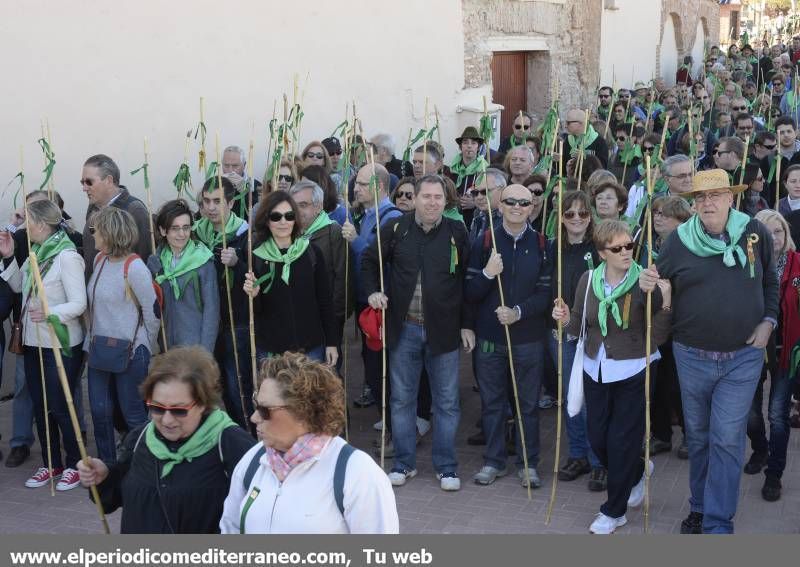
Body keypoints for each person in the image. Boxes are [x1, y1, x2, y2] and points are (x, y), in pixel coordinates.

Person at [639, 169, 778, 534]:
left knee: (726, 437)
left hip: (743, 357)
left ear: (731, 198)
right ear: (693, 203)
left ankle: (718, 520)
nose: (708, 202)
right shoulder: (677, 241)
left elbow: (769, 281)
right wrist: (648, 284)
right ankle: (699, 505)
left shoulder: (755, 232)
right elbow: (655, 285)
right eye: (700, 197)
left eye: (716, 195)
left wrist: (769, 322)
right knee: (699, 437)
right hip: (692, 357)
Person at [553, 220, 672, 534]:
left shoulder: (643, 278)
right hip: (596, 367)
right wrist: (564, 319)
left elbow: (658, 325)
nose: (625, 252)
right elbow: (579, 320)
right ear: (602, 252)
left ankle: (614, 511)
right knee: (598, 438)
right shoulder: (588, 278)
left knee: (620, 441)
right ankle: (635, 470)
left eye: (629, 246)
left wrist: (657, 295)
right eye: (617, 248)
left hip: (635, 367)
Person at [362, 174, 474, 491]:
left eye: (438, 197)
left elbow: (467, 281)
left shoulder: (457, 232)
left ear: (445, 201)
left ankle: (447, 467)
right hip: (404, 328)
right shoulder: (396, 229)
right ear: (415, 199)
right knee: (401, 401)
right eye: (426, 196)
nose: (432, 202)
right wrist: (373, 291)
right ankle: (403, 463)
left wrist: (467, 323)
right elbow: (369, 261)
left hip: (445, 332)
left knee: (448, 402)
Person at [77, 346, 254, 533]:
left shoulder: (232, 445)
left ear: (203, 404)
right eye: (157, 408)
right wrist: (105, 476)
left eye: (179, 410)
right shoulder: (141, 437)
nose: (167, 420)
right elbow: (120, 495)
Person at [221, 352, 398, 533]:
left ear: (302, 411)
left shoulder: (357, 473)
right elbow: (230, 529)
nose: (254, 417)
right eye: (254, 405)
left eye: (265, 410)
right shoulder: (253, 460)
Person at [465, 183, 551, 488]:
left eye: (524, 202)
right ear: (499, 206)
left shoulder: (542, 244)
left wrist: (518, 312)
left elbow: (545, 294)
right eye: (510, 201)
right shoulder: (484, 241)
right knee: (492, 404)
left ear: (532, 208)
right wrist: (488, 274)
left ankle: (528, 463)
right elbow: (470, 292)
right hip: (490, 340)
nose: (517, 206)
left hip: (528, 340)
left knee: (527, 404)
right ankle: (494, 461)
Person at [0, 199, 87, 491]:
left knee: (62, 406)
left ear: (41, 224)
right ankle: (51, 463)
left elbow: (79, 303)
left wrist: (52, 313)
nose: (25, 229)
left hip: (59, 344)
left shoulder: (67, 256)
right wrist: (10, 257)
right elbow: (18, 288)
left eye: (28, 223)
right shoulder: (35, 253)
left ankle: (75, 463)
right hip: (33, 342)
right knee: (41, 406)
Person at [85, 208, 161, 465]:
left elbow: (153, 310)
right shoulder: (99, 261)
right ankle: (107, 466)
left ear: (109, 233)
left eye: (96, 230)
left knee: (133, 414)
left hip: (130, 351)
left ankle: (143, 465)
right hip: (99, 348)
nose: (92, 234)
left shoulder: (135, 267)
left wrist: (145, 345)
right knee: (100, 411)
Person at [544, 191, 606, 490]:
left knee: (593, 399)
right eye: (570, 214)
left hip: (593, 335)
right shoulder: (554, 248)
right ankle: (578, 454)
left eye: (583, 213)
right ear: (561, 217)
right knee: (571, 397)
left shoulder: (599, 248)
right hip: (561, 335)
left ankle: (598, 460)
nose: (577, 219)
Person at [244, 191, 339, 366]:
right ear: (266, 220)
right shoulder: (256, 256)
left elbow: (325, 301)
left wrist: (331, 342)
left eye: (289, 216)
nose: (283, 222)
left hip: (311, 348)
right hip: (272, 352)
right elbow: (254, 312)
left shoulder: (311, 252)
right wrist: (254, 295)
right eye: (276, 216)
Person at [744, 210, 800, 502]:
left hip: (785, 352)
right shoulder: (746, 266)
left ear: (786, 234)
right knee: (749, 414)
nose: (773, 237)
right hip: (750, 349)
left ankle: (774, 474)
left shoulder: (798, 265)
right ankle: (760, 448)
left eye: (778, 231)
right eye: (766, 232)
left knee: (778, 415)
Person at [341, 164, 403, 427]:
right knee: (371, 358)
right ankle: (385, 413)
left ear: (379, 187)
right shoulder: (366, 214)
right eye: (357, 183)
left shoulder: (390, 216)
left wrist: (355, 240)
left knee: (382, 362)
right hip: (367, 297)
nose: (356, 188)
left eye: (363, 184)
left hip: (383, 299)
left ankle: (393, 420)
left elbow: (380, 257)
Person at [193, 176, 253, 429]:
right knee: (212, 385)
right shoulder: (197, 233)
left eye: (217, 201)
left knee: (237, 384)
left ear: (230, 203)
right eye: (206, 201)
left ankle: (248, 437)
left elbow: (257, 276)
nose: (211, 207)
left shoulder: (245, 234)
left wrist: (238, 264)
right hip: (206, 320)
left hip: (234, 320)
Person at [148, 199, 219, 353]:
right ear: (162, 230)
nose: (182, 234)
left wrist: (205, 353)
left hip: (194, 347)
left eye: (186, 227)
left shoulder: (203, 261)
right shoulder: (158, 260)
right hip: (167, 345)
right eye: (175, 228)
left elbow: (211, 312)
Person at [289, 180, 350, 355]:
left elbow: (342, 276)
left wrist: (335, 317)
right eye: (294, 205)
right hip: (298, 317)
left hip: (325, 317)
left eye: (303, 205)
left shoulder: (333, 232)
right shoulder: (289, 232)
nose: (297, 211)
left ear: (318, 207)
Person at [82, 154, 152, 278]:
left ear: (109, 180)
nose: (84, 188)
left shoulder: (135, 210)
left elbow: (144, 258)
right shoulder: (93, 207)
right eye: (83, 182)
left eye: (89, 182)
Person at [448, 126, 489, 227]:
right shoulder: (452, 169)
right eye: (465, 142)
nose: (469, 146)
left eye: (473, 143)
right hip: (454, 219)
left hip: (475, 220)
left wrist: (475, 203)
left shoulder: (485, 170)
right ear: (461, 146)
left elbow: (492, 197)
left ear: (478, 147)